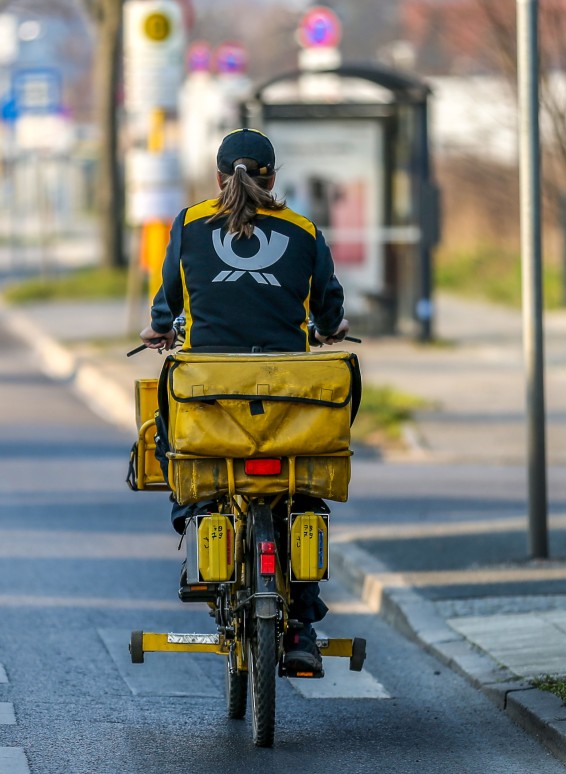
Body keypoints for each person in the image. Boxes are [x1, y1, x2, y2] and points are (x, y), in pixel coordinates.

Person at [138, 128, 349, 674]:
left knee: (172, 439)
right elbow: (326, 308)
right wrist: (331, 327)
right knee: (301, 492)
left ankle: (195, 521)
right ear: (273, 178)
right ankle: (301, 621)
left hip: (210, 395)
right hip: (288, 398)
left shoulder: (188, 224)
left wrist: (160, 329)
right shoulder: (303, 231)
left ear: (217, 177)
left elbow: (169, 301)